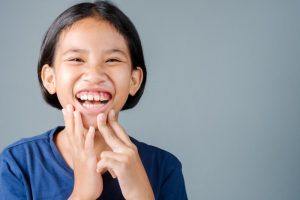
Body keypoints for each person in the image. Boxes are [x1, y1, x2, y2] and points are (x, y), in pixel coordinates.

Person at [0, 1, 188, 199]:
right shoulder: (17, 164)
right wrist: (83, 192)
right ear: (50, 78)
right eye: (76, 59)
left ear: (134, 80)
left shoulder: (165, 168)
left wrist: (139, 193)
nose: (95, 74)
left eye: (112, 60)